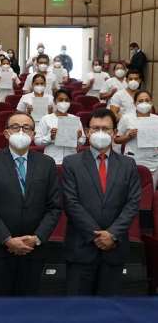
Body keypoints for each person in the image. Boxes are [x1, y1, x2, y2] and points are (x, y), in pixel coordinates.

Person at [0, 111, 61, 295]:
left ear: (33, 134)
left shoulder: (47, 163)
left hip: (34, 249)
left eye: (27, 128)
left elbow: (54, 207)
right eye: (16, 127)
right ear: (6, 133)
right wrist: (7, 239)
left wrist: (37, 238)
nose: (21, 131)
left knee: (28, 307)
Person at [62, 108, 141, 296]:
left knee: (108, 311)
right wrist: (97, 235)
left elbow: (132, 203)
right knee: (77, 310)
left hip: (114, 249)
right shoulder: (71, 163)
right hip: (81, 248)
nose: (100, 133)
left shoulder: (128, 164)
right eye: (95, 128)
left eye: (105, 129)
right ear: (88, 132)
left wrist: (112, 234)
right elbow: (71, 203)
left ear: (114, 133)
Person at [116, 90, 158, 188]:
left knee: (149, 192)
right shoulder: (127, 118)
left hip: (153, 162)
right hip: (133, 160)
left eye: (147, 101)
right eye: (140, 101)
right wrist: (128, 136)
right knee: (131, 191)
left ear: (151, 103)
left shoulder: (156, 119)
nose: (144, 103)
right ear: (135, 103)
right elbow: (116, 140)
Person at [34, 89, 85, 165]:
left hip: (71, 159)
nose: (64, 103)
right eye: (60, 100)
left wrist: (78, 137)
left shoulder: (75, 119)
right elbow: (37, 141)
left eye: (66, 100)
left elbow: (82, 141)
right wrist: (50, 137)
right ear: (55, 101)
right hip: (51, 159)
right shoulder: (46, 119)